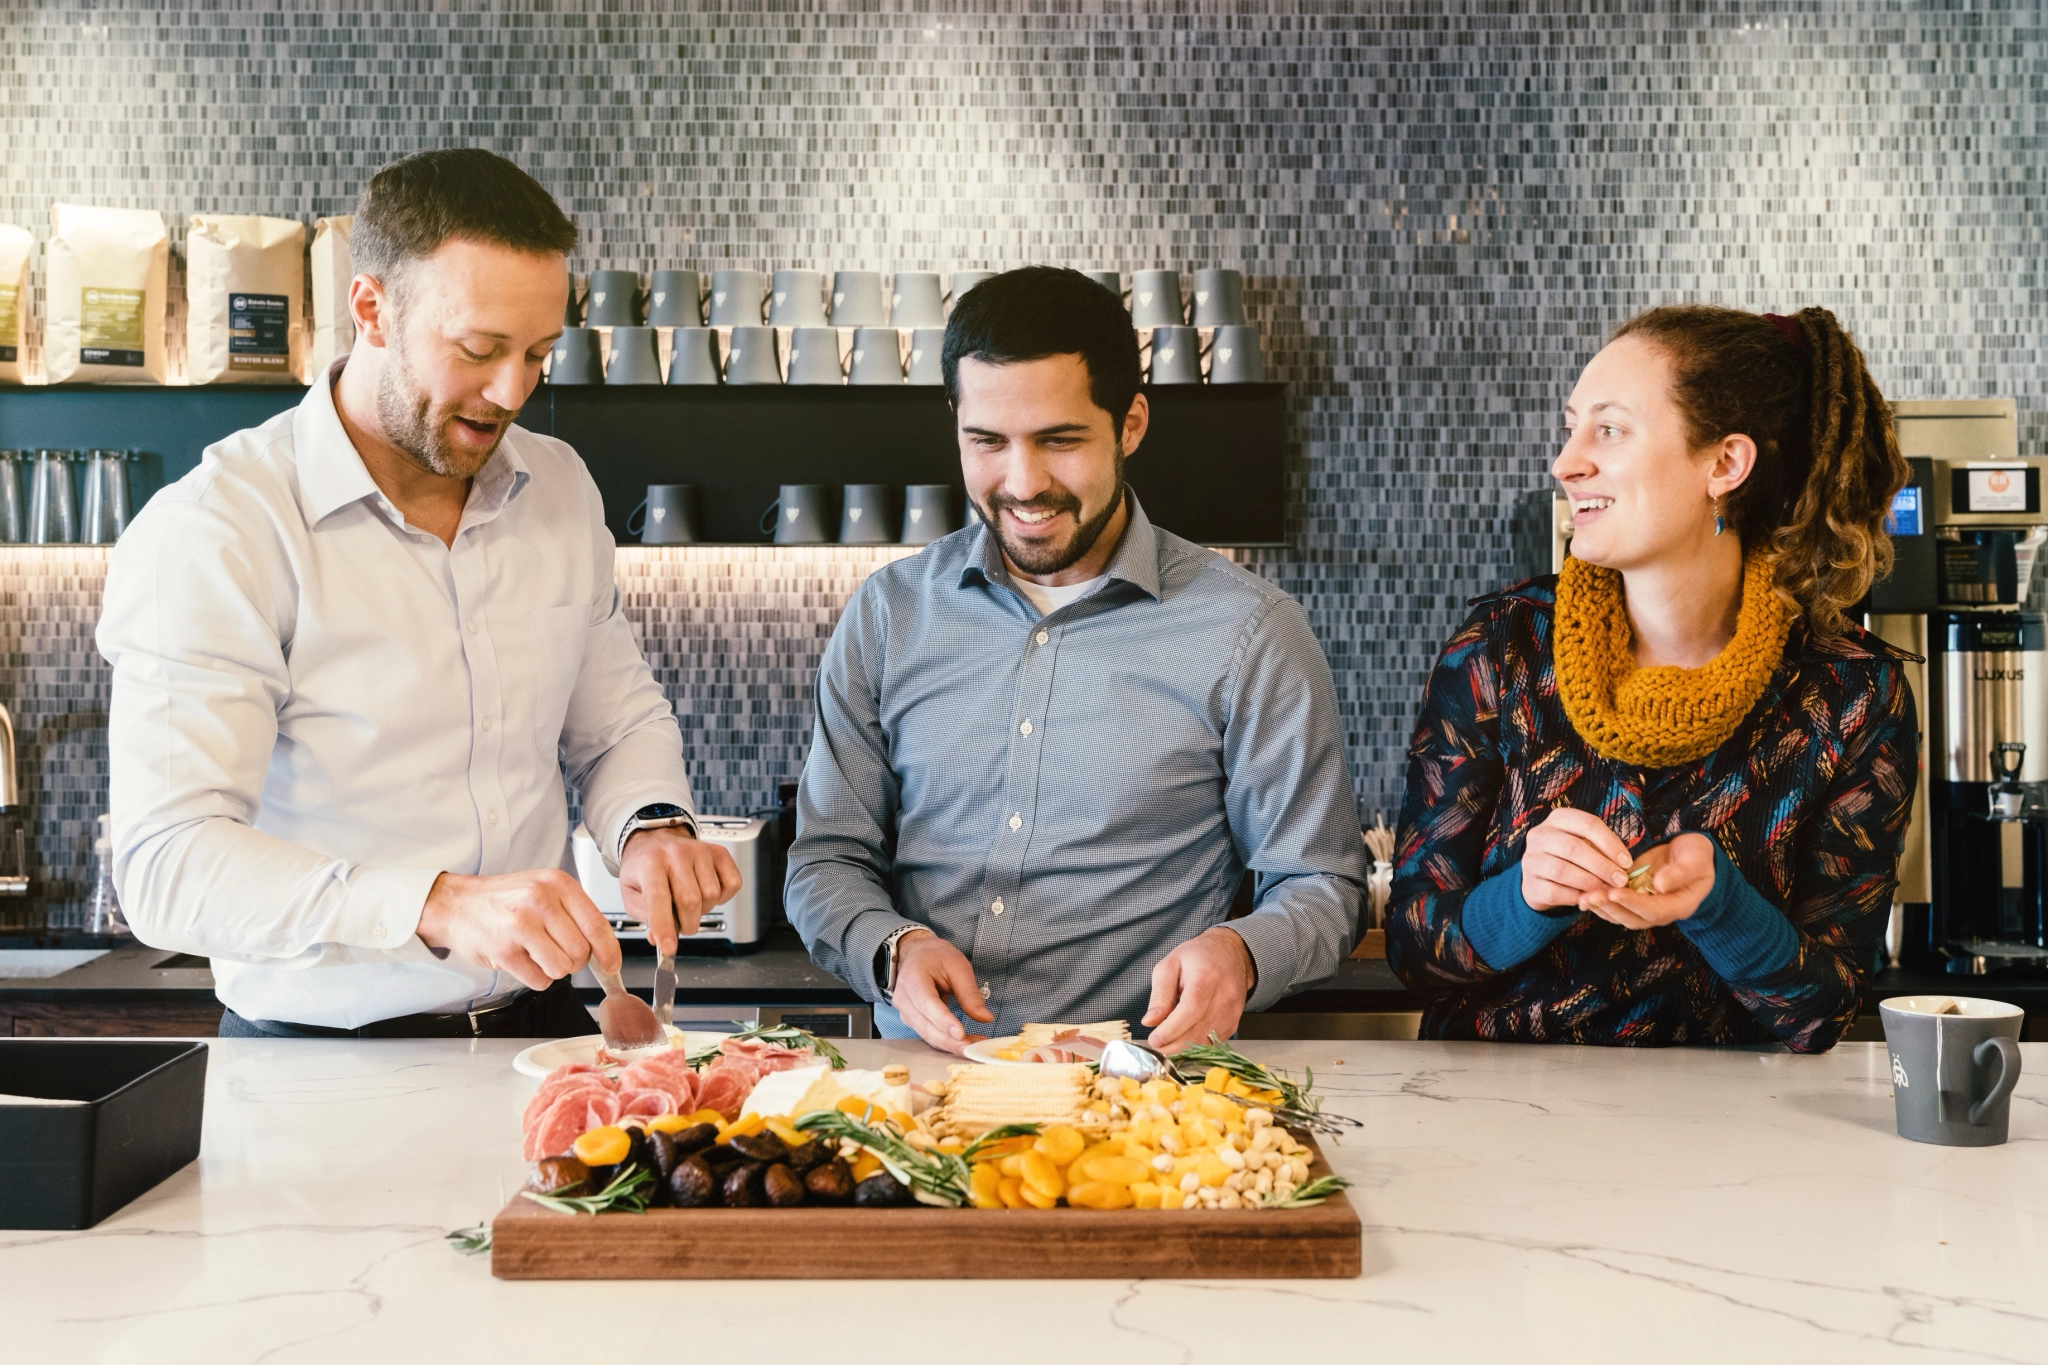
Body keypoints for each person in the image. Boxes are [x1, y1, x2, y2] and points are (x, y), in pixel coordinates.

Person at [97, 149, 740, 1038]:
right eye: (478, 350)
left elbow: (617, 724)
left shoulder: (558, 489)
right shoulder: (220, 528)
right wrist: (434, 903)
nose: (511, 391)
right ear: (372, 310)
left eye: (537, 354)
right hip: (320, 1068)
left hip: (536, 1030)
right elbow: (169, 865)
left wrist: (651, 824)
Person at [786, 266, 1366, 1054]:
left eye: (1060, 440)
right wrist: (893, 949)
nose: (1023, 483)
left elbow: (1322, 885)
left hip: (1136, 1102)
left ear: (1129, 424)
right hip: (919, 1092)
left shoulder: (1250, 631)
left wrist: (1241, 951)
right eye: (987, 441)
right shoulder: (889, 615)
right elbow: (827, 859)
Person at [1388, 304, 1917, 1051]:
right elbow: (1413, 953)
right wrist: (1525, 897)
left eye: (1609, 429)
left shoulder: (1851, 694)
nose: (1565, 462)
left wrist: (1722, 905)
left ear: (1724, 465)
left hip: (1737, 1139)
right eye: (1571, 427)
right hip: (1495, 1123)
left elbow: (1821, 1014)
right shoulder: (1499, 651)